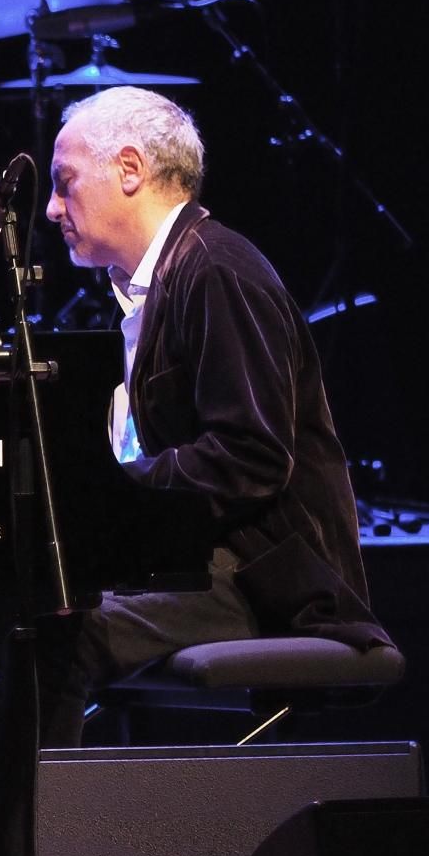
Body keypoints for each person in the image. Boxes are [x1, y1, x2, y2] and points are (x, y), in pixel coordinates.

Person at [33, 85, 390, 747]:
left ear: (130, 170)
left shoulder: (217, 270)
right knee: (24, 616)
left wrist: (115, 490)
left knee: (53, 640)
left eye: (64, 181)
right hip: (205, 561)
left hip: (272, 581)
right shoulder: (161, 282)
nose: (52, 208)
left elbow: (251, 455)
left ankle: (23, 819)